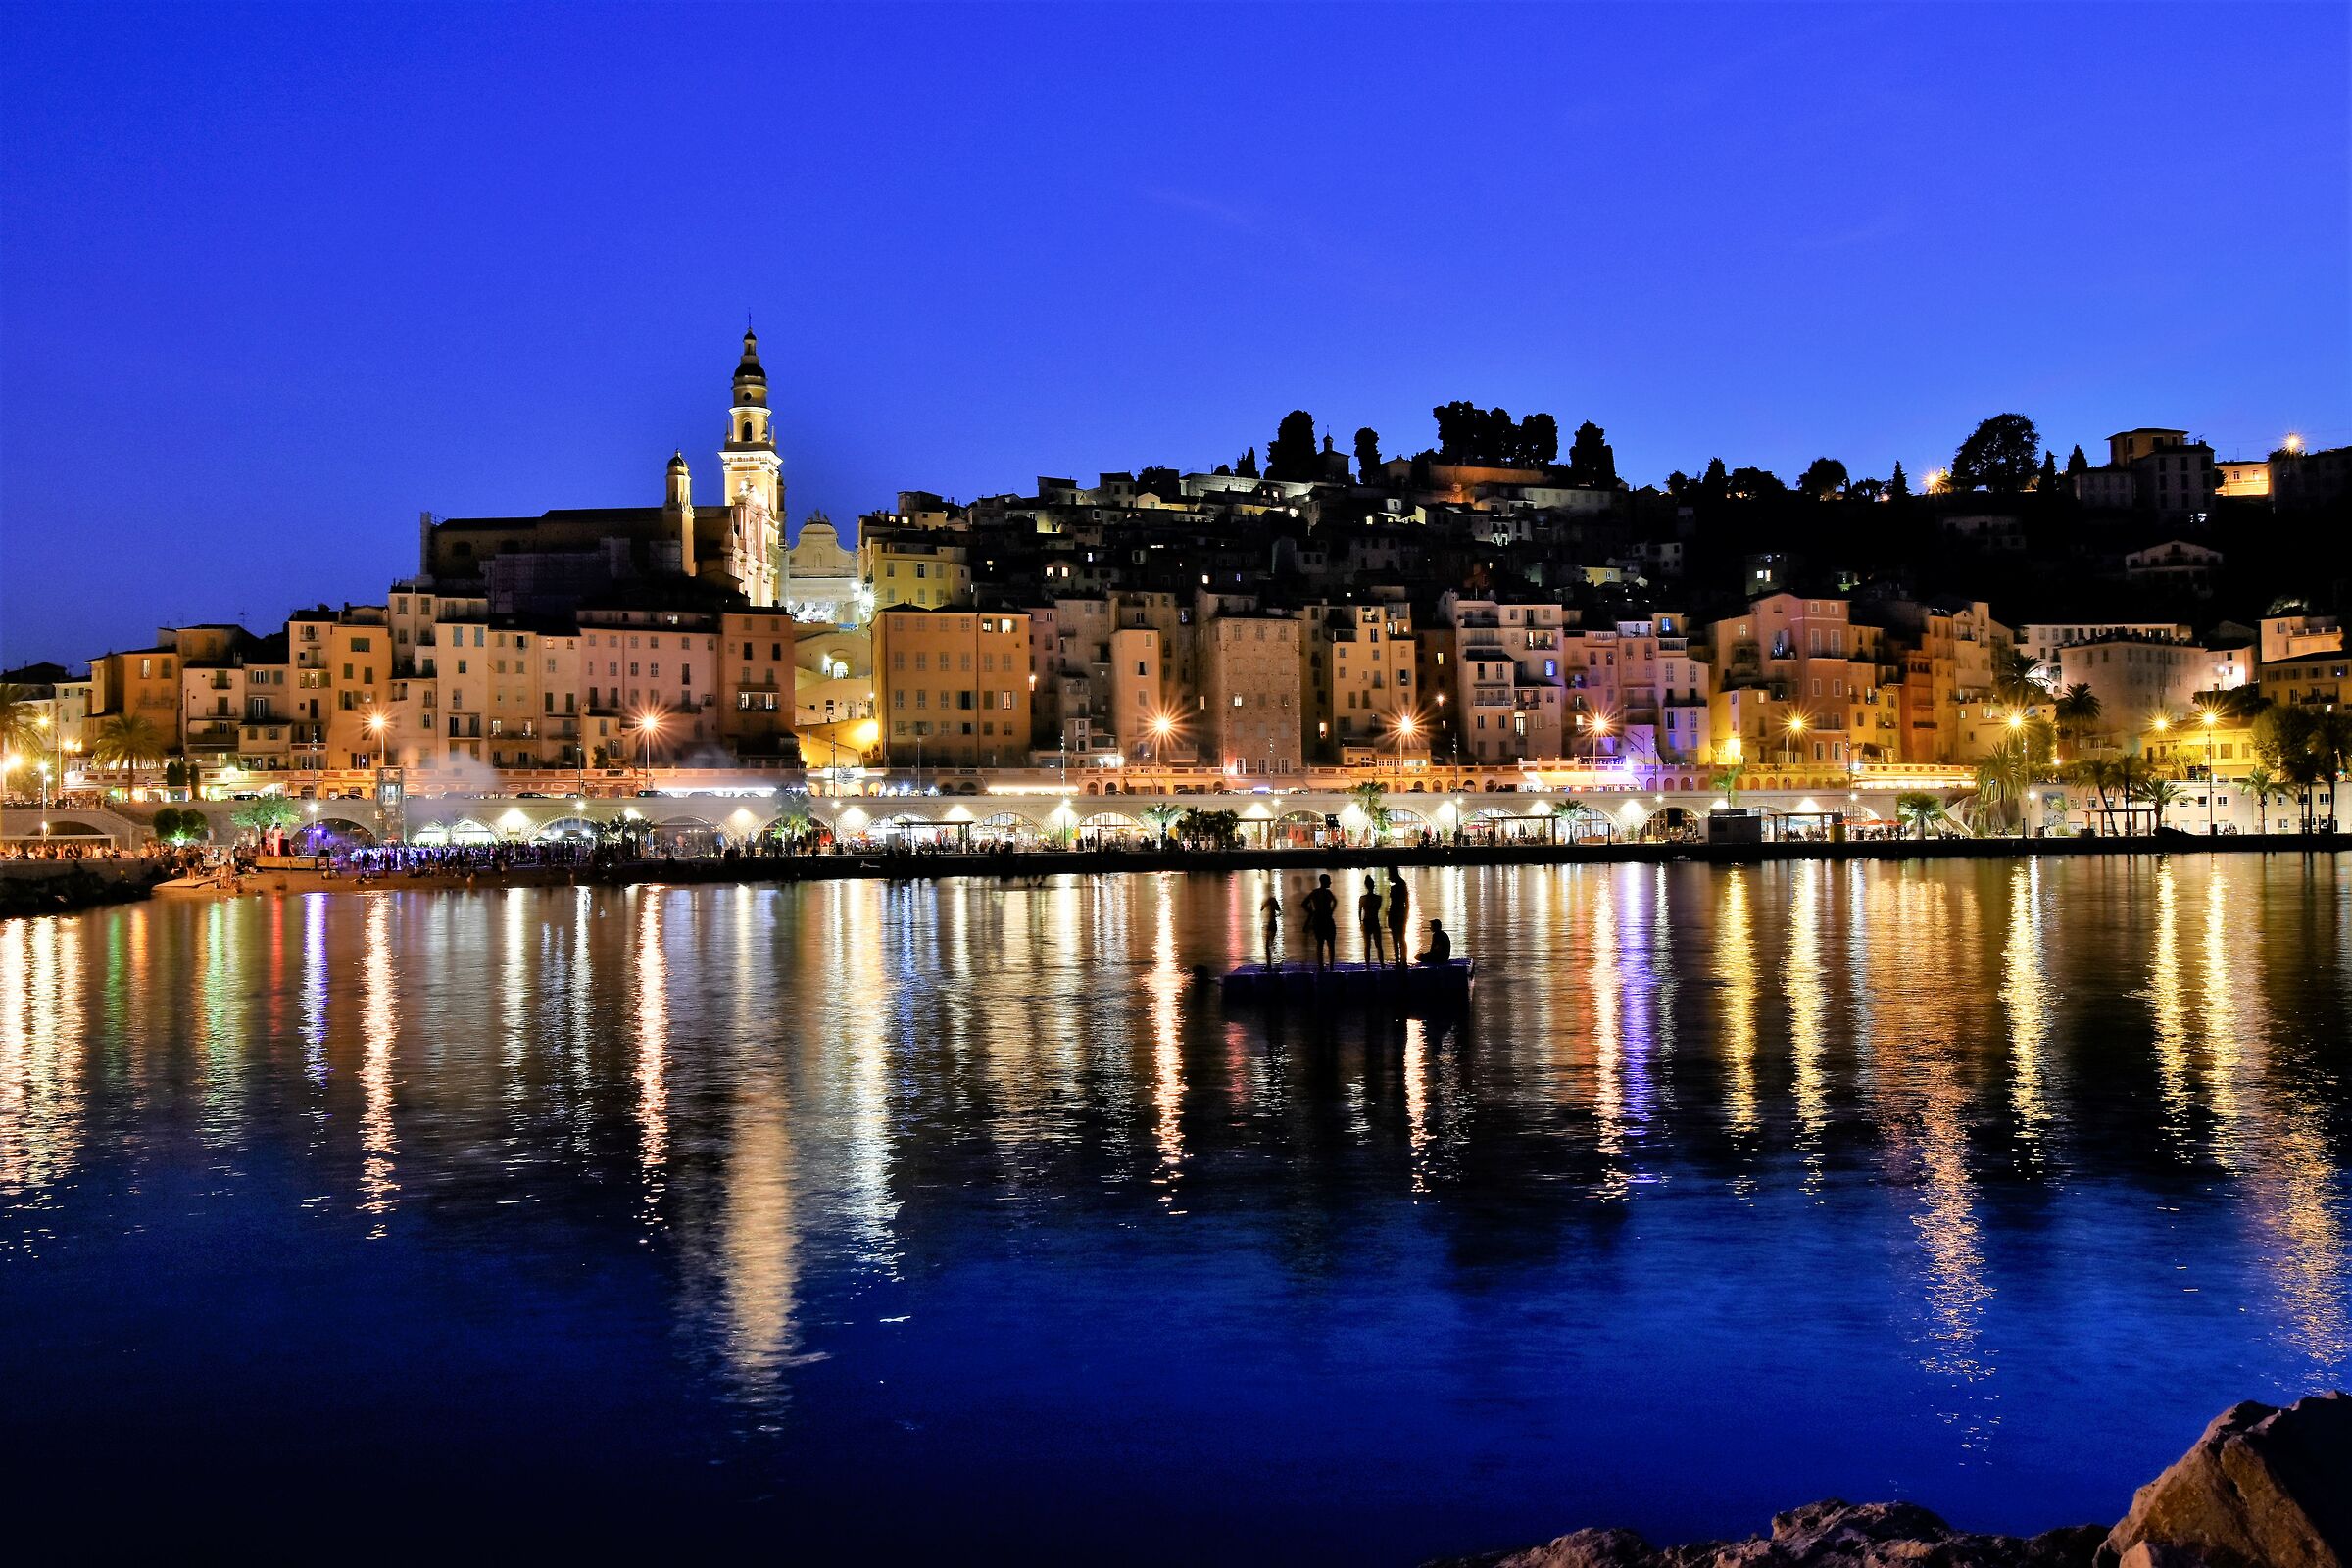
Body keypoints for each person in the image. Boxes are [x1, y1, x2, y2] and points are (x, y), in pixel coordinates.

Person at [1302, 873, 1339, 972]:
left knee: (1320, 944)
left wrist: (1312, 912)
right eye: (1329, 881)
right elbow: (1335, 901)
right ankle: (1331, 967)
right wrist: (1331, 911)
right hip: (1327, 920)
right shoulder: (1328, 893)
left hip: (1318, 920)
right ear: (1325, 882)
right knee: (1331, 944)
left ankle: (1321, 967)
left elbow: (1304, 903)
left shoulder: (1315, 893)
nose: (1330, 882)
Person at [1357, 874, 1387, 967]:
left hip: (1366, 921)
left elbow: (1359, 912)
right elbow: (1378, 908)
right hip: (1374, 921)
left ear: (1366, 885)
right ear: (1373, 885)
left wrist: (1360, 922)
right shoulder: (1378, 898)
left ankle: (1368, 965)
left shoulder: (1362, 898)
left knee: (1367, 946)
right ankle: (1381, 964)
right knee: (1378, 945)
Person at [1385, 868, 1409, 969]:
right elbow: (1407, 902)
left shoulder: (1398, 886)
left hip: (1396, 913)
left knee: (1398, 939)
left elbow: (1406, 901)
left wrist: (1405, 914)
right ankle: (1402, 960)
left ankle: (1400, 961)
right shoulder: (1401, 884)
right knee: (1400, 938)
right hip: (1399, 913)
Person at [1258, 882, 1282, 971]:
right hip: (1273, 924)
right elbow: (1279, 910)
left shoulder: (1267, 900)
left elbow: (1261, 909)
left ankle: (1269, 965)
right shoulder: (1273, 899)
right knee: (1271, 945)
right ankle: (1275, 962)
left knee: (1268, 946)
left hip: (1268, 924)